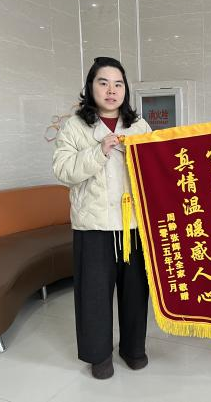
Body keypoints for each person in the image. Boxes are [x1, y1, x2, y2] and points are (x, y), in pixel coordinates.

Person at [53, 57, 151, 379]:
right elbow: (63, 170)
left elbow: (156, 169)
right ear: (90, 87)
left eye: (118, 84)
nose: (111, 90)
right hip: (93, 226)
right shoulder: (74, 126)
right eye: (103, 83)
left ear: (125, 89)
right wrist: (100, 151)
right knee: (94, 295)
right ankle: (98, 355)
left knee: (135, 293)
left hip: (133, 225)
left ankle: (133, 349)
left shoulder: (139, 126)